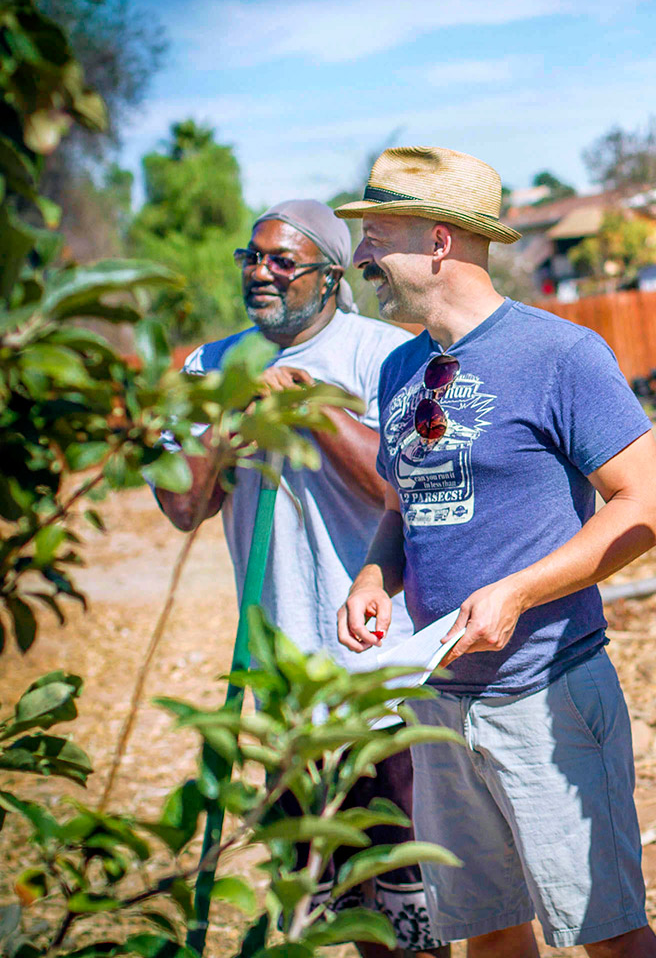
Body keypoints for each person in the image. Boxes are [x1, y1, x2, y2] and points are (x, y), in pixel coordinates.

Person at [334, 147, 656, 958]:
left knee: (609, 937)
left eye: (378, 234)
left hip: (546, 694)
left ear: (441, 242)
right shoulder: (398, 370)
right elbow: (399, 505)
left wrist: (518, 591)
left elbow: (647, 508)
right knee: (488, 936)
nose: (363, 258)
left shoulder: (563, 355)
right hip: (437, 702)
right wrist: (375, 576)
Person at [153, 199, 445, 957]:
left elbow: (402, 487)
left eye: (284, 261)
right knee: (333, 892)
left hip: (379, 663)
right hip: (281, 670)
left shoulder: (388, 355)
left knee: (409, 891)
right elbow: (184, 505)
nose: (262, 273)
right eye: (253, 258)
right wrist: (226, 425)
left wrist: (311, 411)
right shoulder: (209, 368)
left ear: (332, 273)